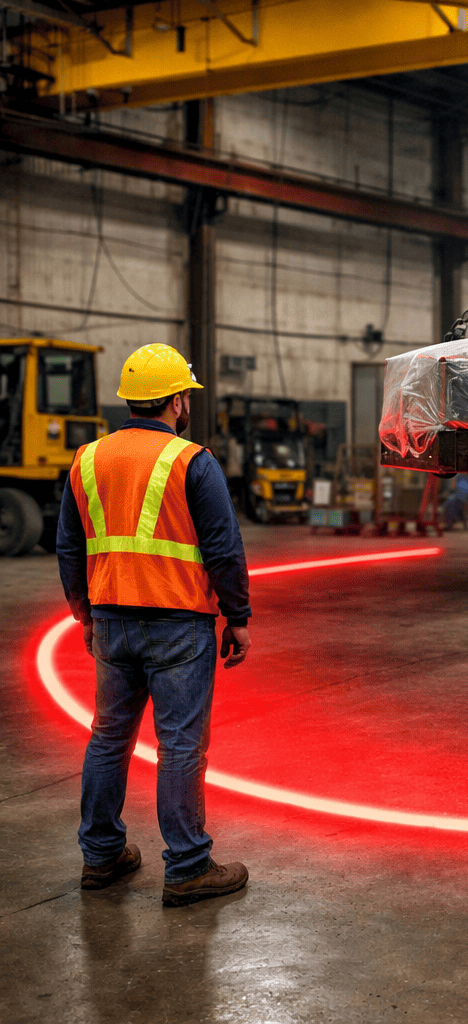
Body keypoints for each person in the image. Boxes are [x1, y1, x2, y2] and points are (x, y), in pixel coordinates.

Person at [57, 343, 253, 908]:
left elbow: (69, 544)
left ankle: (101, 856)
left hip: (112, 622)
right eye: (185, 393)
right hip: (178, 626)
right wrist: (237, 618)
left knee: (109, 739)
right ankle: (189, 867)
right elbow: (223, 549)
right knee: (181, 748)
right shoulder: (193, 461)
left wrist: (83, 613)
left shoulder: (87, 459)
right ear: (175, 401)